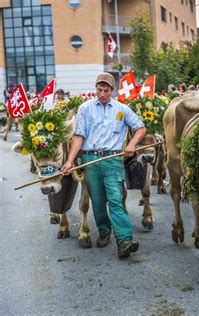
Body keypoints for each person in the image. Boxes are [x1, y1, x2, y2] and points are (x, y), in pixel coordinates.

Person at [61, 73, 146, 258]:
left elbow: (140, 128)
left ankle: (124, 240)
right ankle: (104, 230)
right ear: (95, 89)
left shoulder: (122, 109)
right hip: (90, 160)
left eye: (106, 90)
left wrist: (132, 144)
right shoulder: (85, 108)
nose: (102, 93)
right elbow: (78, 136)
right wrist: (69, 161)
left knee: (116, 199)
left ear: (112, 90)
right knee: (98, 202)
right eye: (99, 90)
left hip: (113, 159)